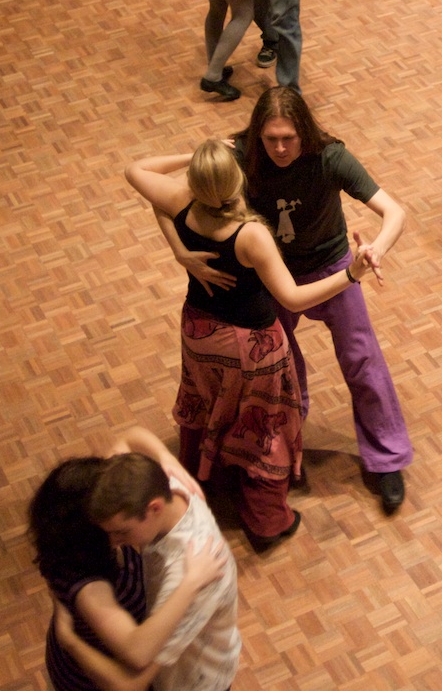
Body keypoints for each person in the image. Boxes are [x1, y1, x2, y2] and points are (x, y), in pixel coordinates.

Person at [163, 89, 414, 513]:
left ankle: (387, 458)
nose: (280, 148)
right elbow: (164, 197)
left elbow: (395, 212)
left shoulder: (330, 157)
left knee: (362, 359)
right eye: (271, 139)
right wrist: (179, 250)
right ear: (256, 136)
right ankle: (285, 454)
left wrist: (376, 250)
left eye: (289, 139)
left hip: (333, 266)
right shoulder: (240, 156)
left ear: (305, 134)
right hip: (272, 274)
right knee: (282, 374)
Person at [124, 140, 376, 546]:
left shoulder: (182, 201)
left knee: (210, 406)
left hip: (199, 333)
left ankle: (208, 485)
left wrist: (180, 244)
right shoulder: (251, 234)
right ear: (237, 180)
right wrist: (351, 275)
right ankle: (265, 520)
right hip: (251, 346)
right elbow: (293, 298)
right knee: (261, 424)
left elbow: (137, 170)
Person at [31, 438, 229, 691]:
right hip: (93, 680)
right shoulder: (90, 590)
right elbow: (137, 657)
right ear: (93, 527)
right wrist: (191, 584)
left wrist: (165, 458)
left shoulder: (106, 509)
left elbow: (130, 436)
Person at [88, 450, 240, 691]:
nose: (114, 543)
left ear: (155, 508)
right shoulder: (171, 486)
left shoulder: (189, 576)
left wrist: (69, 639)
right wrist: (164, 455)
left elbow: (137, 668)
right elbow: (131, 436)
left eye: (122, 532)